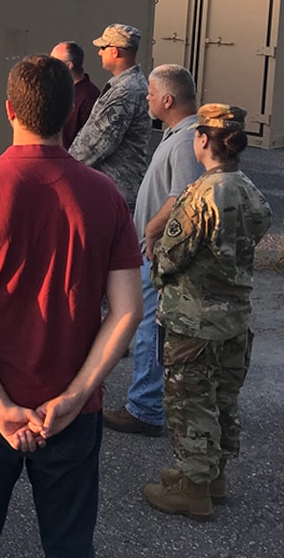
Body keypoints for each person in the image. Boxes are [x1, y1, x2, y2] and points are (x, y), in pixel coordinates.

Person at [0, 55, 144, 557]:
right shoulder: (105, 194)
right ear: (71, 111)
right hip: (70, 410)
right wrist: (74, 397)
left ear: (9, 110)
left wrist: (0, 402)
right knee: (70, 544)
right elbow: (128, 310)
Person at [142, 103, 272, 521]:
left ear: (202, 140)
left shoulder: (200, 194)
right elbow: (257, 230)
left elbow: (171, 255)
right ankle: (210, 474)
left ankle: (194, 489)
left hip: (193, 320)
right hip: (234, 318)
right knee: (222, 398)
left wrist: (156, 256)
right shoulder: (248, 188)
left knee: (189, 400)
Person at [103, 64, 202, 437]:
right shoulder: (177, 135)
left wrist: (150, 229)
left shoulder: (184, 141)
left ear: (168, 99)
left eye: (150, 93)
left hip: (156, 253)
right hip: (150, 251)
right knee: (147, 325)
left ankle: (144, 409)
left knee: (149, 328)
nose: (146, 98)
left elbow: (184, 197)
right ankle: (147, 402)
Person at [70, 24, 151, 211]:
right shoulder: (127, 85)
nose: (99, 53)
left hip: (114, 192)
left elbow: (97, 142)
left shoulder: (125, 91)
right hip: (113, 190)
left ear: (114, 52)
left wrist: (67, 168)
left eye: (103, 48)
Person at [49, 41, 101, 150]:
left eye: (54, 62)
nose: (50, 67)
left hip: (73, 161)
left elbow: (90, 140)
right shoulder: (57, 91)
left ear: (69, 65)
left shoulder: (89, 97)